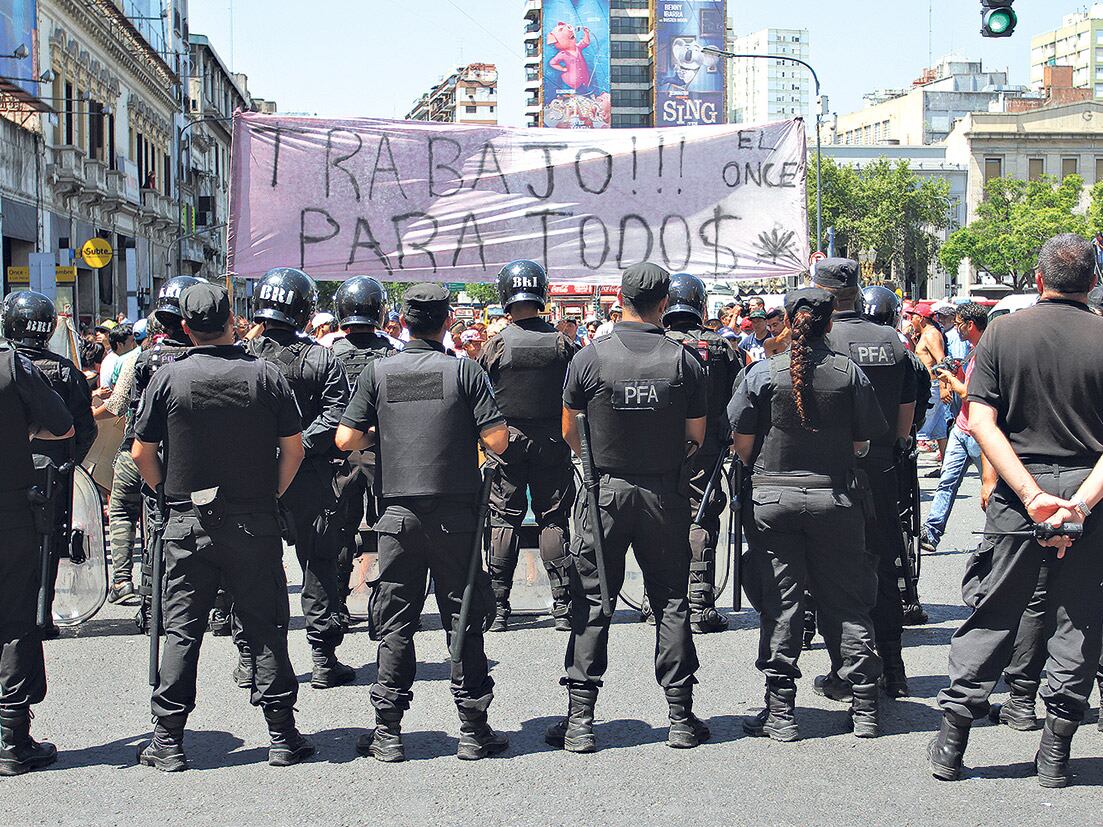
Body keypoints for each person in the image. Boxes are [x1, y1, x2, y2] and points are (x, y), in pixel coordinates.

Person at [930, 234, 1103, 787]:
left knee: (994, 611)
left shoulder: (1003, 331)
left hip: (1015, 489)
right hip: (1088, 493)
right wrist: (1074, 504)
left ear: (1038, 278)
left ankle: (952, 744)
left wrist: (1031, 495)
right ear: (1094, 281)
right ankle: (1054, 754)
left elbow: (980, 420)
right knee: (1080, 620)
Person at [132, 282, 314, 772]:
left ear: (186, 328)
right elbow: (293, 449)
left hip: (186, 521)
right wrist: (270, 495)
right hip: (253, 518)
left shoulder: (167, 377)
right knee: (265, 625)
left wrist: (166, 496)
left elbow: (141, 453)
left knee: (182, 630)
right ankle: (282, 735)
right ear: (234, 320)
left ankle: (168, 740)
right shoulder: (266, 374)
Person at [335, 283, 510, 763]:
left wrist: (384, 434)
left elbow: (346, 438)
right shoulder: (465, 371)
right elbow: (497, 439)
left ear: (402, 322)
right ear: (446, 320)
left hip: (397, 517)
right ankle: (474, 730)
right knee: (464, 617)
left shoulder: (378, 371)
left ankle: (387, 732)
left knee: (395, 623)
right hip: (454, 514)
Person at [550, 262, 709, 753]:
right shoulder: (684, 361)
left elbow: (568, 432)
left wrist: (601, 463)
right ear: (665, 303)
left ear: (619, 298)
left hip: (605, 495)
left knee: (593, 601)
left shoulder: (589, 359)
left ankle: (580, 722)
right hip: (663, 492)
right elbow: (696, 438)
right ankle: (680, 717)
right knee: (671, 601)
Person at [729, 287, 887, 741]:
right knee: (846, 601)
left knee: (781, 604)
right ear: (830, 323)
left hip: (773, 502)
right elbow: (862, 442)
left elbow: (741, 446)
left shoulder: (762, 373)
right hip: (834, 500)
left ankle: (780, 711)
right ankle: (863, 706)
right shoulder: (848, 374)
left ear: (789, 321)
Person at [245, 268, 353, 689]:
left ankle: (251, 658)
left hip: (256, 477)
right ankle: (323, 658)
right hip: (308, 475)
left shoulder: (245, 355)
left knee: (253, 566)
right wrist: (299, 446)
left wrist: (278, 450)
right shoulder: (321, 357)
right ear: (305, 310)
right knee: (318, 564)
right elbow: (336, 414)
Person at [813, 260, 916, 699]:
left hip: (832, 474)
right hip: (881, 471)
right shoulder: (891, 339)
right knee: (885, 567)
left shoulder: (819, 341)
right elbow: (904, 422)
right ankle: (893, 666)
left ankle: (849, 670)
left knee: (836, 576)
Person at [477, 261, 578, 633]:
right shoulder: (563, 343)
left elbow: (479, 395)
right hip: (553, 440)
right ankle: (563, 605)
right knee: (553, 519)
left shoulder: (496, 344)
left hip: (505, 443)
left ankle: (500, 606)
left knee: (504, 520)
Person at [1, 291, 97, 638]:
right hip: (54, 477)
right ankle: (42, 616)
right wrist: (69, 463)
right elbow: (84, 429)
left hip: (12, 477)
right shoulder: (65, 371)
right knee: (51, 543)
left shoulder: (8, 367)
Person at [0, 339, 74, 776]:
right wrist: (24, 430)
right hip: (9, 512)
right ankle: (11, 738)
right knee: (13, 619)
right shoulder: (12, 365)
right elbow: (63, 426)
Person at [662, 273, 742, 634]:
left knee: (660, 518)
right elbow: (741, 401)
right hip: (707, 449)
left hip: (658, 449)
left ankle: (659, 600)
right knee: (702, 517)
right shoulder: (723, 349)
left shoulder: (655, 344)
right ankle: (699, 601)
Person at [126, 277, 201, 619]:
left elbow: (135, 416)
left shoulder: (145, 358)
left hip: (153, 457)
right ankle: (215, 607)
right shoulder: (199, 358)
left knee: (155, 531)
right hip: (193, 459)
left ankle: (150, 604)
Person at [328, 276, 397, 631]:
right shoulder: (393, 354)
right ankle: (386, 607)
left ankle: (337, 604)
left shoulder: (326, 354)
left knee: (340, 530)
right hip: (384, 454)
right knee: (390, 529)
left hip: (339, 455)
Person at [920, 303, 988, 552]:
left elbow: (969, 393)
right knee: (946, 482)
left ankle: (996, 538)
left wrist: (948, 378)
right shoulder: (972, 350)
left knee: (991, 490)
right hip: (962, 429)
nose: (954, 327)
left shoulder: (985, 353)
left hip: (981, 433)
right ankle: (932, 532)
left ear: (970, 325)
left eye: (958, 323)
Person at [910, 303, 948, 459]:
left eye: (913, 317)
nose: (911, 320)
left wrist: (944, 386)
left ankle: (912, 469)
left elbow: (941, 360)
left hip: (932, 386)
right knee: (940, 430)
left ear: (921, 319)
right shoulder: (925, 334)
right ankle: (946, 466)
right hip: (931, 385)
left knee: (919, 430)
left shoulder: (931, 334)